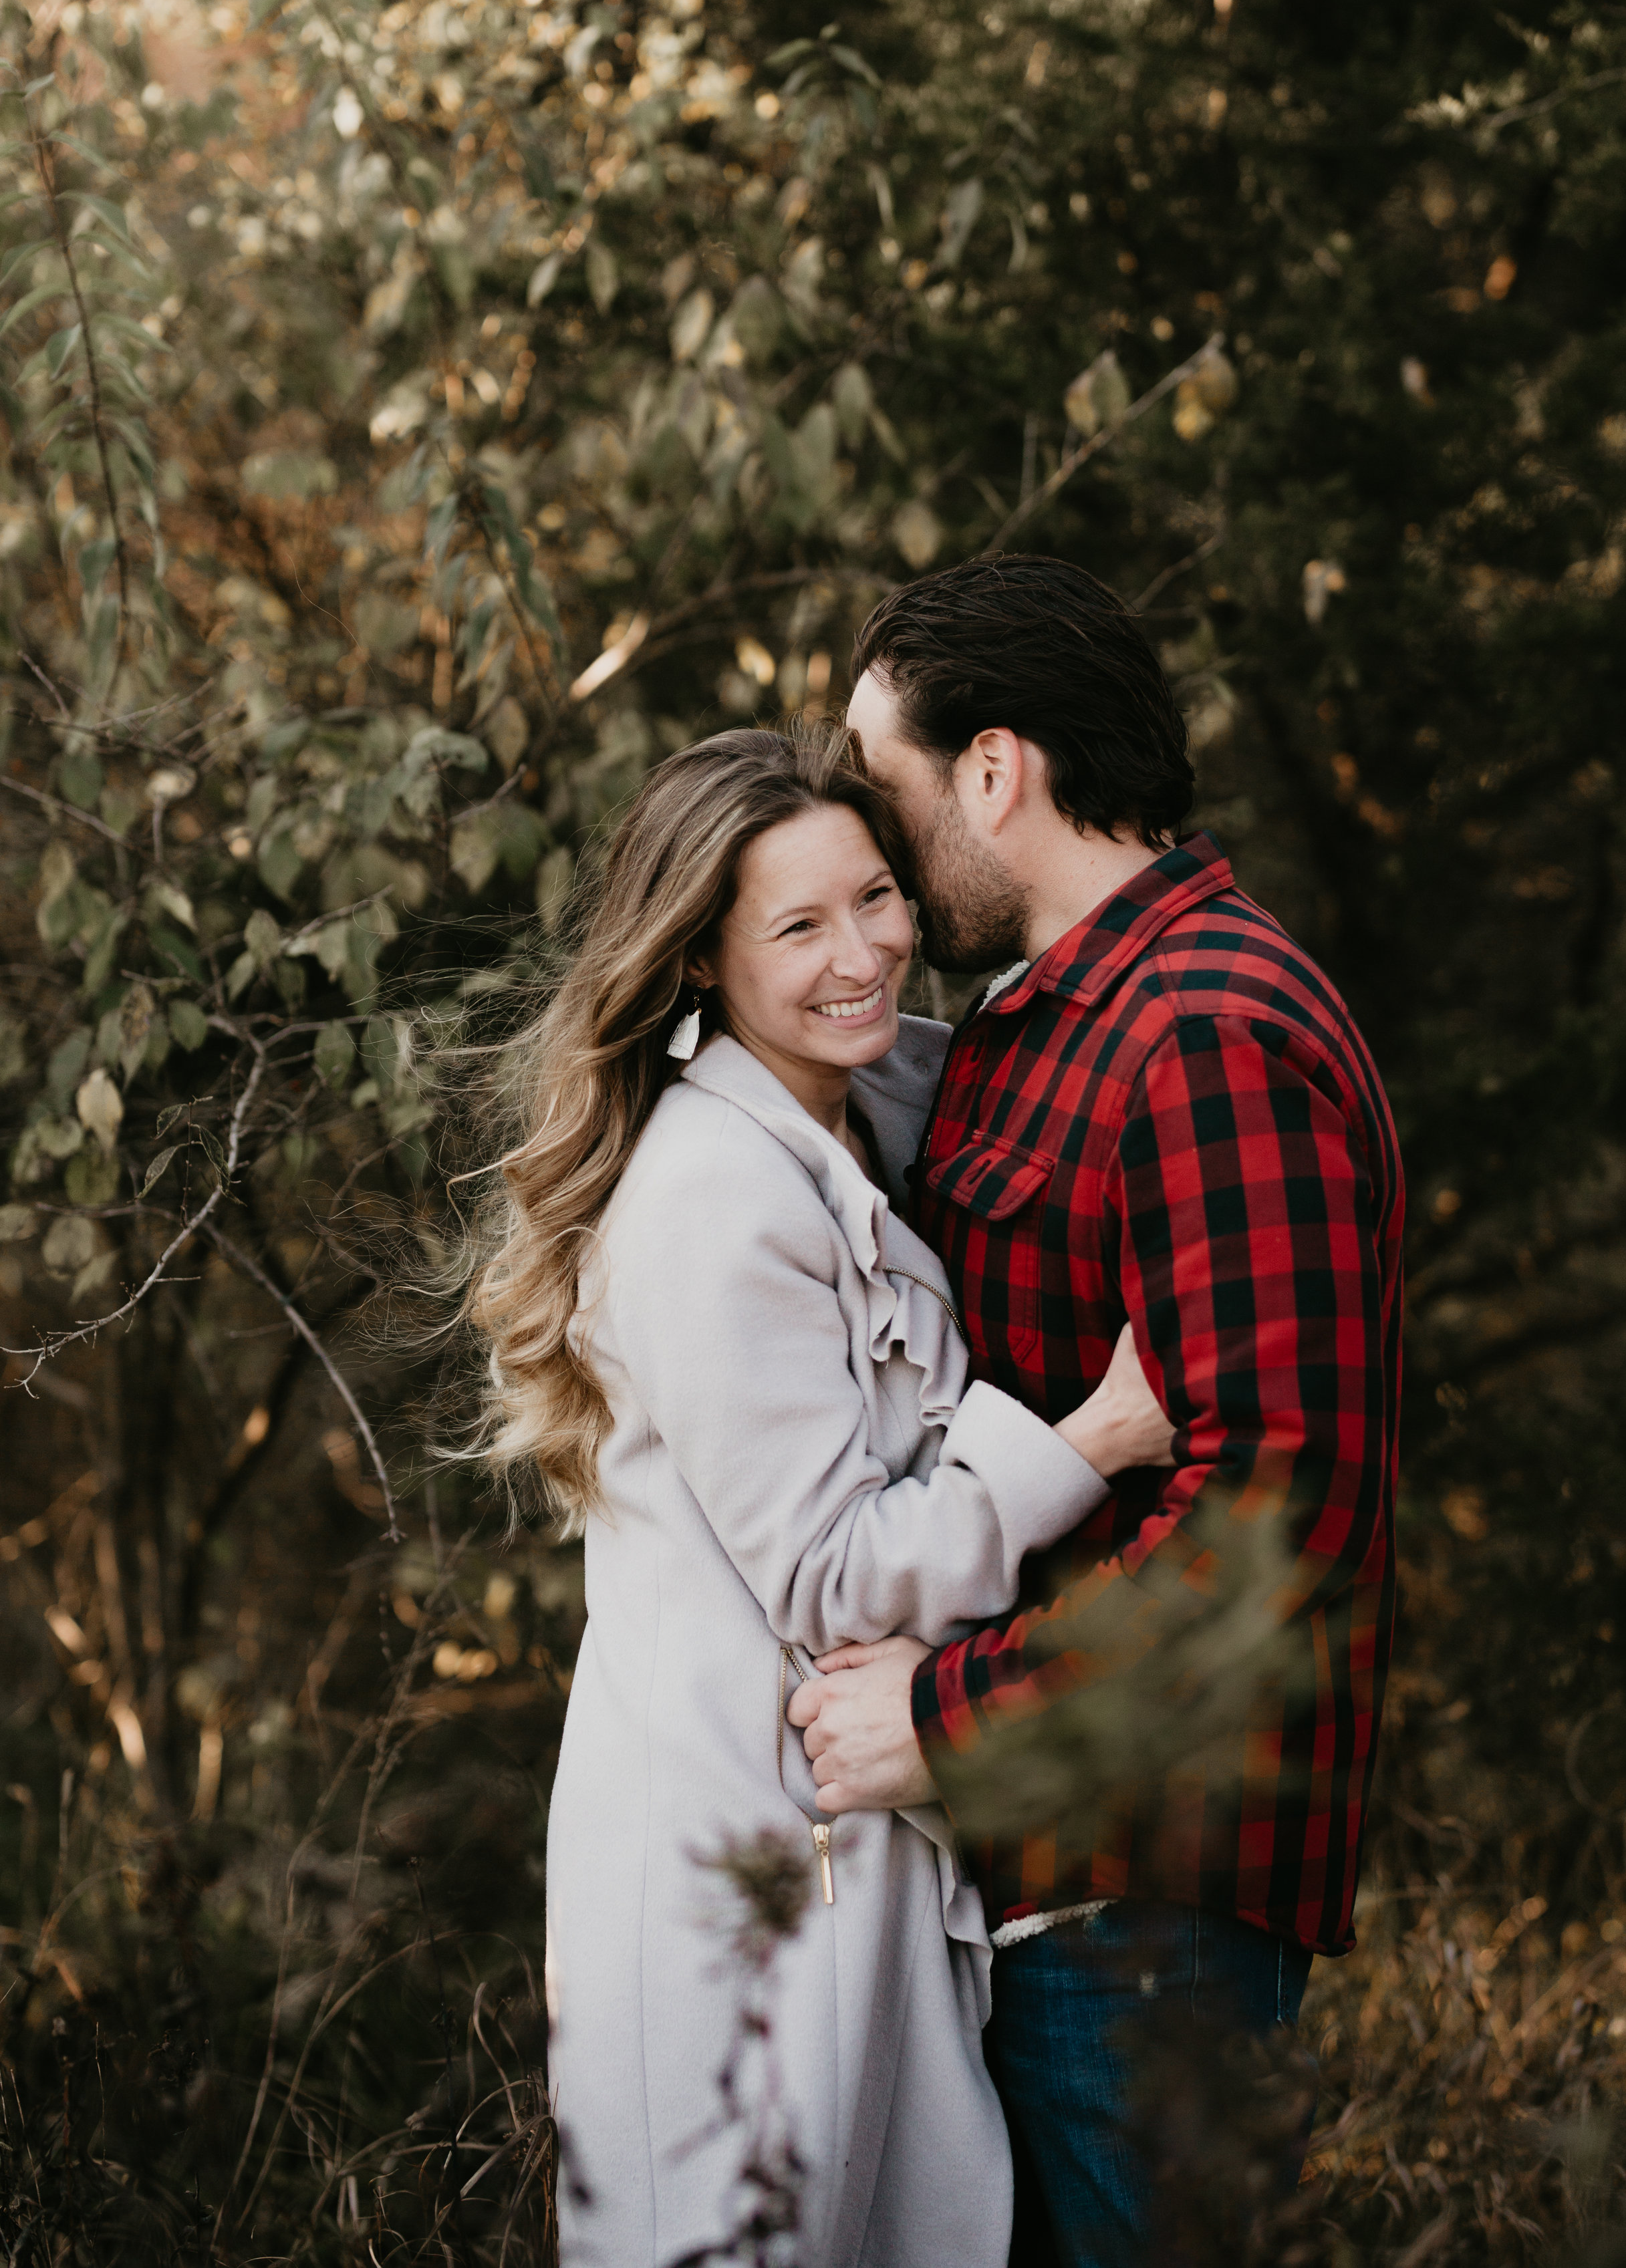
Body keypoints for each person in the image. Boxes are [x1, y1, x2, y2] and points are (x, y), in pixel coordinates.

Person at [464, 727, 1177, 2268]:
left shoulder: (882, 1096)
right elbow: (838, 1574)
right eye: (796, 927)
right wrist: (1091, 1440)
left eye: (874, 896)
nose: (861, 956)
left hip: (853, 1822)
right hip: (735, 1847)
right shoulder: (712, 1199)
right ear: (703, 962)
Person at [791, 553, 1405, 2267]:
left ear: (992, 772)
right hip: (1038, 1896)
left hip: (1143, 1909)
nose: (857, 831)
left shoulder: (1205, 1031)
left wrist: (954, 1717)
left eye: (875, 781)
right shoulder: (1040, 1024)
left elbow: (1277, 1526)